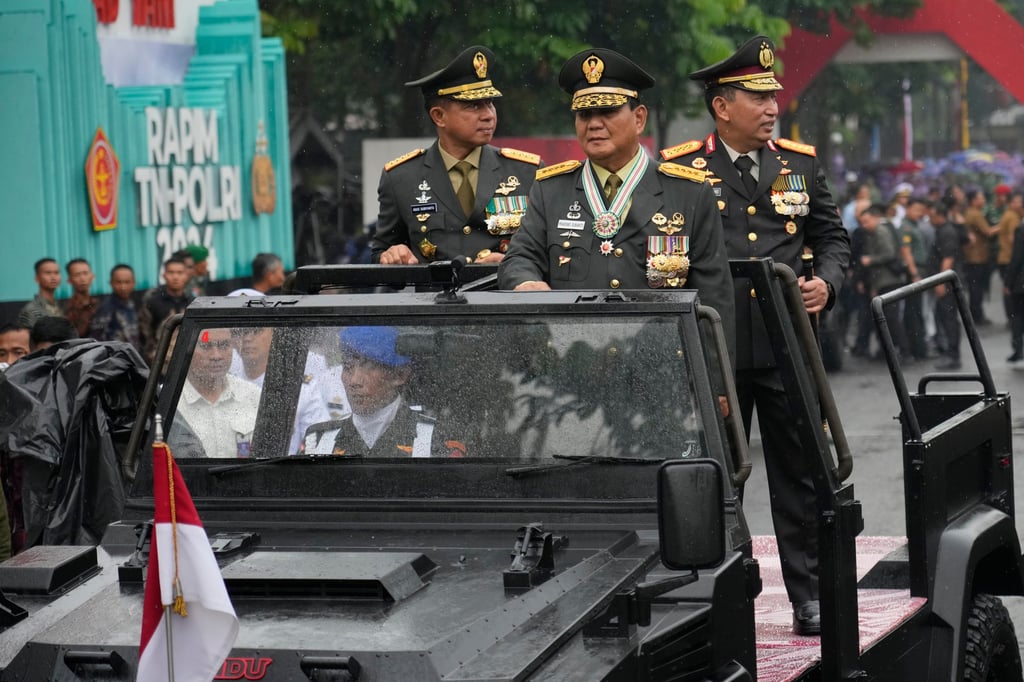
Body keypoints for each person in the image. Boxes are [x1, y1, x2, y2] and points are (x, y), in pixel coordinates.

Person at [659, 35, 850, 636]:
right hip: (712, 344)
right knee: (716, 476)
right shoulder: (679, 169)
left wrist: (829, 284)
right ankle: (722, 594)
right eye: (758, 98)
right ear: (722, 106)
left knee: (800, 474)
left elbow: (833, 238)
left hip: (786, 340)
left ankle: (809, 596)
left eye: (773, 97)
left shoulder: (801, 164)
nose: (772, 108)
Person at [498, 48, 734, 346]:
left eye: (608, 112)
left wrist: (715, 371)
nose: (594, 124)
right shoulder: (550, 189)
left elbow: (714, 298)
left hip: (661, 362)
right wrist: (526, 281)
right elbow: (520, 257)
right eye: (584, 114)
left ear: (639, 119)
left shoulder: (690, 192)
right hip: (572, 359)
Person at [373, 45, 542, 265]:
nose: (488, 115)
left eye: (490, 103)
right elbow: (380, 252)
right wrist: (392, 255)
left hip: (503, 287)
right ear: (439, 116)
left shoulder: (528, 172)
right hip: (434, 289)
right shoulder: (401, 178)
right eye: (474, 106)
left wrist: (512, 264)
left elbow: (550, 251)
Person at [304, 327, 457, 457]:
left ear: (400, 375)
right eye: (348, 367)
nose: (354, 381)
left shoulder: (436, 439)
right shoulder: (318, 440)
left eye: (369, 367)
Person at [229, 326, 330, 453]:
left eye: (257, 331)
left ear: (274, 335)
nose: (247, 338)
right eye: (240, 332)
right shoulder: (225, 384)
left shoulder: (301, 389)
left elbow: (320, 444)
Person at [175, 328, 262, 457]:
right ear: (186, 349)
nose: (216, 356)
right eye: (205, 346)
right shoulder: (170, 401)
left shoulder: (254, 396)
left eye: (224, 345)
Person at [139, 255, 193, 366]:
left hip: (188, 361)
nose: (175, 277)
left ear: (186, 275)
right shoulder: (152, 302)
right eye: (171, 272)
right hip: (158, 362)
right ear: (164, 275)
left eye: (180, 273)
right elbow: (144, 336)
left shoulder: (193, 303)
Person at [930, 199, 963, 370]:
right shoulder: (943, 230)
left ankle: (953, 355)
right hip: (947, 280)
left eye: (932, 216)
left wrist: (941, 282)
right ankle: (949, 352)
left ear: (940, 215)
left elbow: (948, 258)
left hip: (947, 282)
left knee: (949, 318)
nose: (930, 219)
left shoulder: (947, 232)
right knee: (944, 316)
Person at [962, 190, 999, 326]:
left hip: (972, 257)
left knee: (974, 288)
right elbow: (988, 231)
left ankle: (975, 315)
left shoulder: (969, 212)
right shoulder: (975, 214)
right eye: (981, 198)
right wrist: (1004, 225)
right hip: (977, 257)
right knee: (976, 289)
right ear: (973, 201)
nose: (983, 200)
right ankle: (977, 316)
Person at [89, 263, 142, 353]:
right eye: (118, 282)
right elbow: (96, 340)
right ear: (111, 283)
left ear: (134, 283)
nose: (123, 287)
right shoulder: (105, 308)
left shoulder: (134, 304)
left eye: (127, 282)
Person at [995, 191, 1022, 324]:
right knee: (1011, 288)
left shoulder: (1008, 214)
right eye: (1016, 201)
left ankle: (1012, 317)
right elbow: (1014, 240)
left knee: (1009, 288)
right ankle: (1013, 318)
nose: (1019, 204)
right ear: (1010, 203)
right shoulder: (1013, 217)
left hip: (1005, 257)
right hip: (1010, 258)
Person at [17, 258, 63, 329]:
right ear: (37, 278)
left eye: (56, 273)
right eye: (48, 273)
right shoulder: (30, 310)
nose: (53, 277)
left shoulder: (63, 307)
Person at [62, 258, 100, 338]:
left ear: (92, 276)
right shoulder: (66, 309)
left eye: (85, 273)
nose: (82, 279)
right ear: (69, 280)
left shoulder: (100, 304)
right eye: (77, 275)